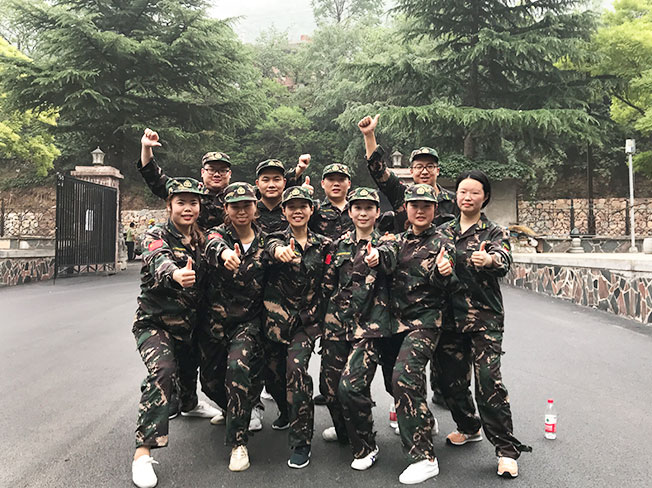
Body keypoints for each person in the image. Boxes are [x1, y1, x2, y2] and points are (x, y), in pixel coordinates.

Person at [358, 114, 460, 412]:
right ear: (411, 170)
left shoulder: (453, 201)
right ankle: (415, 406)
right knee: (408, 354)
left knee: (447, 357)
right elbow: (378, 170)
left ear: (438, 169)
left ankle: (444, 396)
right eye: (419, 166)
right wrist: (369, 136)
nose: (424, 171)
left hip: (445, 282)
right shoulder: (402, 195)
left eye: (430, 166)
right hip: (408, 286)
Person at [436, 170, 531, 478]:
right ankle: (468, 426)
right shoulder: (443, 231)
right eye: (463, 191)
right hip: (449, 319)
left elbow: (503, 259)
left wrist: (489, 261)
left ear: (485, 197)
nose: (467, 197)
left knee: (488, 382)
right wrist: (438, 268)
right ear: (456, 195)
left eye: (474, 192)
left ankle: (506, 450)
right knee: (449, 381)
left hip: (484, 319)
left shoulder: (494, 232)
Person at [131, 177, 216, 488]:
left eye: (193, 202)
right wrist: (176, 273)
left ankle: (190, 404)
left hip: (189, 326)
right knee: (163, 371)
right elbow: (158, 259)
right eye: (181, 202)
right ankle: (143, 452)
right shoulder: (156, 234)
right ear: (169, 206)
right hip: (155, 323)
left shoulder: (202, 239)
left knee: (190, 369)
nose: (187, 208)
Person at [379, 184, 457, 485]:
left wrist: (444, 272)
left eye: (426, 205)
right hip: (395, 323)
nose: (420, 210)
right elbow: (383, 261)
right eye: (415, 205)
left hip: (425, 322)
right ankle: (422, 418)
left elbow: (446, 280)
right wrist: (375, 254)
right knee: (394, 379)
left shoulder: (443, 242)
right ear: (406, 209)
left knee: (404, 377)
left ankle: (424, 457)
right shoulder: (397, 241)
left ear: (435, 209)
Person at [320, 187, 396, 471]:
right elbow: (328, 284)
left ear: (377, 212)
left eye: (368, 208)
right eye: (357, 208)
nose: (363, 213)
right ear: (350, 212)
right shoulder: (338, 244)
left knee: (351, 386)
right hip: (337, 324)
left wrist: (378, 258)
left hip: (369, 327)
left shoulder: (387, 243)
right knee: (329, 389)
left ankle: (366, 445)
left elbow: (389, 259)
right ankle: (345, 431)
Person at [264, 186, 333, 469]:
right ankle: (285, 410)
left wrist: (323, 322)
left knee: (297, 372)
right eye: (291, 206)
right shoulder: (273, 239)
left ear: (311, 210)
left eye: (303, 206)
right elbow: (270, 250)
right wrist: (279, 251)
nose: (297, 211)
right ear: (283, 211)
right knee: (273, 377)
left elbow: (328, 285)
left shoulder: (324, 245)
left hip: (305, 323)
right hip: (275, 322)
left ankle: (301, 441)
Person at [203, 182, 269, 472]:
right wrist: (224, 254)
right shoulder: (217, 234)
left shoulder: (267, 241)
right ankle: (234, 407)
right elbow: (211, 244)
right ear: (226, 209)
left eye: (247, 205)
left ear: (255, 208)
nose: (241, 211)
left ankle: (238, 442)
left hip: (248, 323)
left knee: (237, 369)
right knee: (210, 382)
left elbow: (278, 251)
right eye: (235, 206)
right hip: (216, 323)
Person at [255, 156, 310, 233]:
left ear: (284, 183)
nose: (271, 185)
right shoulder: (250, 211)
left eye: (276, 180)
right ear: (257, 184)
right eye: (266, 180)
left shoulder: (293, 211)